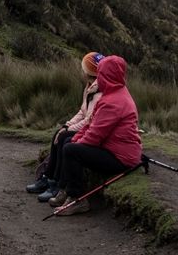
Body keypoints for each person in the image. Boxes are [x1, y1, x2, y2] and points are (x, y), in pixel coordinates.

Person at [46, 54, 142, 214]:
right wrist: (75, 138)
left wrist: (74, 144)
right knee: (70, 144)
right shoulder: (115, 93)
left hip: (121, 158)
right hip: (114, 149)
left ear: (106, 75)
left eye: (102, 74)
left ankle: (77, 199)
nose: (99, 78)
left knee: (71, 151)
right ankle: (65, 189)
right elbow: (91, 124)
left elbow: (95, 136)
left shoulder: (113, 102)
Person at [27, 52, 103, 202]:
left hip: (92, 128)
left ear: (88, 71)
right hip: (86, 125)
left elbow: (89, 119)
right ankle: (48, 177)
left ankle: (56, 183)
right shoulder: (90, 87)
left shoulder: (98, 91)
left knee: (64, 139)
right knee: (59, 133)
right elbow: (82, 111)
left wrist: (68, 130)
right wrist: (67, 125)